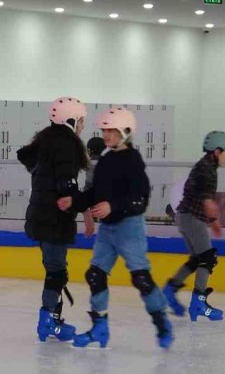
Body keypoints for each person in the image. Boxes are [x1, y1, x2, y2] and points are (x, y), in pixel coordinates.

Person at [58, 107, 174, 349]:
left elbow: (140, 198)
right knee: (95, 275)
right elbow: (94, 194)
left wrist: (112, 206)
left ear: (126, 132)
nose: (106, 134)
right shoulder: (106, 160)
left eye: (111, 130)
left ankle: (162, 321)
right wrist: (75, 202)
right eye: (104, 130)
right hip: (108, 230)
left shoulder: (133, 161)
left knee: (141, 278)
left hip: (129, 228)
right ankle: (100, 328)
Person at [16, 97, 91, 343]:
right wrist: (87, 210)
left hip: (39, 217)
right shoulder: (65, 146)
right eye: (81, 121)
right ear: (71, 121)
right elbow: (67, 188)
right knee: (57, 273)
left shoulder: (46, 141)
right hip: (53, 220)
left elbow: (28, 158)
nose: (82, 126)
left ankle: (53, 320)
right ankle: (47, 320)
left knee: (55, 269)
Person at [163, 131, 225, 321]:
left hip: (184, 216)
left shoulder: (203, 165)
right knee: (207, 259)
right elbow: (207, 201)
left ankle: (170, 290)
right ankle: (198, 303)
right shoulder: (208, 170)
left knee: (196, 259)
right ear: (217, 151)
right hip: (193, 218)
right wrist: (215, 222)